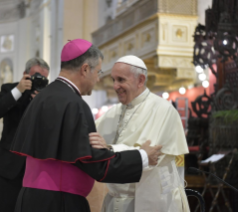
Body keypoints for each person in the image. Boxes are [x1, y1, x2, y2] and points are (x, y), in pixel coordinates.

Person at [10, 39, 162, 212]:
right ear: (85, 69)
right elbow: (99, 166)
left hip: (29, 199)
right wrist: (142, 156)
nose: (98, 78)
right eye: (98, 71)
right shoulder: (74, 104)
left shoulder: (42, 97)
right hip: (59, 203)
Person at [92, 55, 190, 212]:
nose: (115, 86)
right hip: (113, 202)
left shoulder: (163, 110)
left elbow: (151, 157)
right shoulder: (112, 113)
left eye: (121, 80)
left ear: (140, 80)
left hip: (148, 204)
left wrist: (109, 149)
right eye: (113, 80)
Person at [0, 57, 50, 212]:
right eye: (36, 77)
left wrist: (41, 103)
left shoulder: (47, 98)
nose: (39, 81)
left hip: (38, 169)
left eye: (44, 78)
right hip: (10, 167)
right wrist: (19, 90)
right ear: (25, 74)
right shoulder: (10, 89)